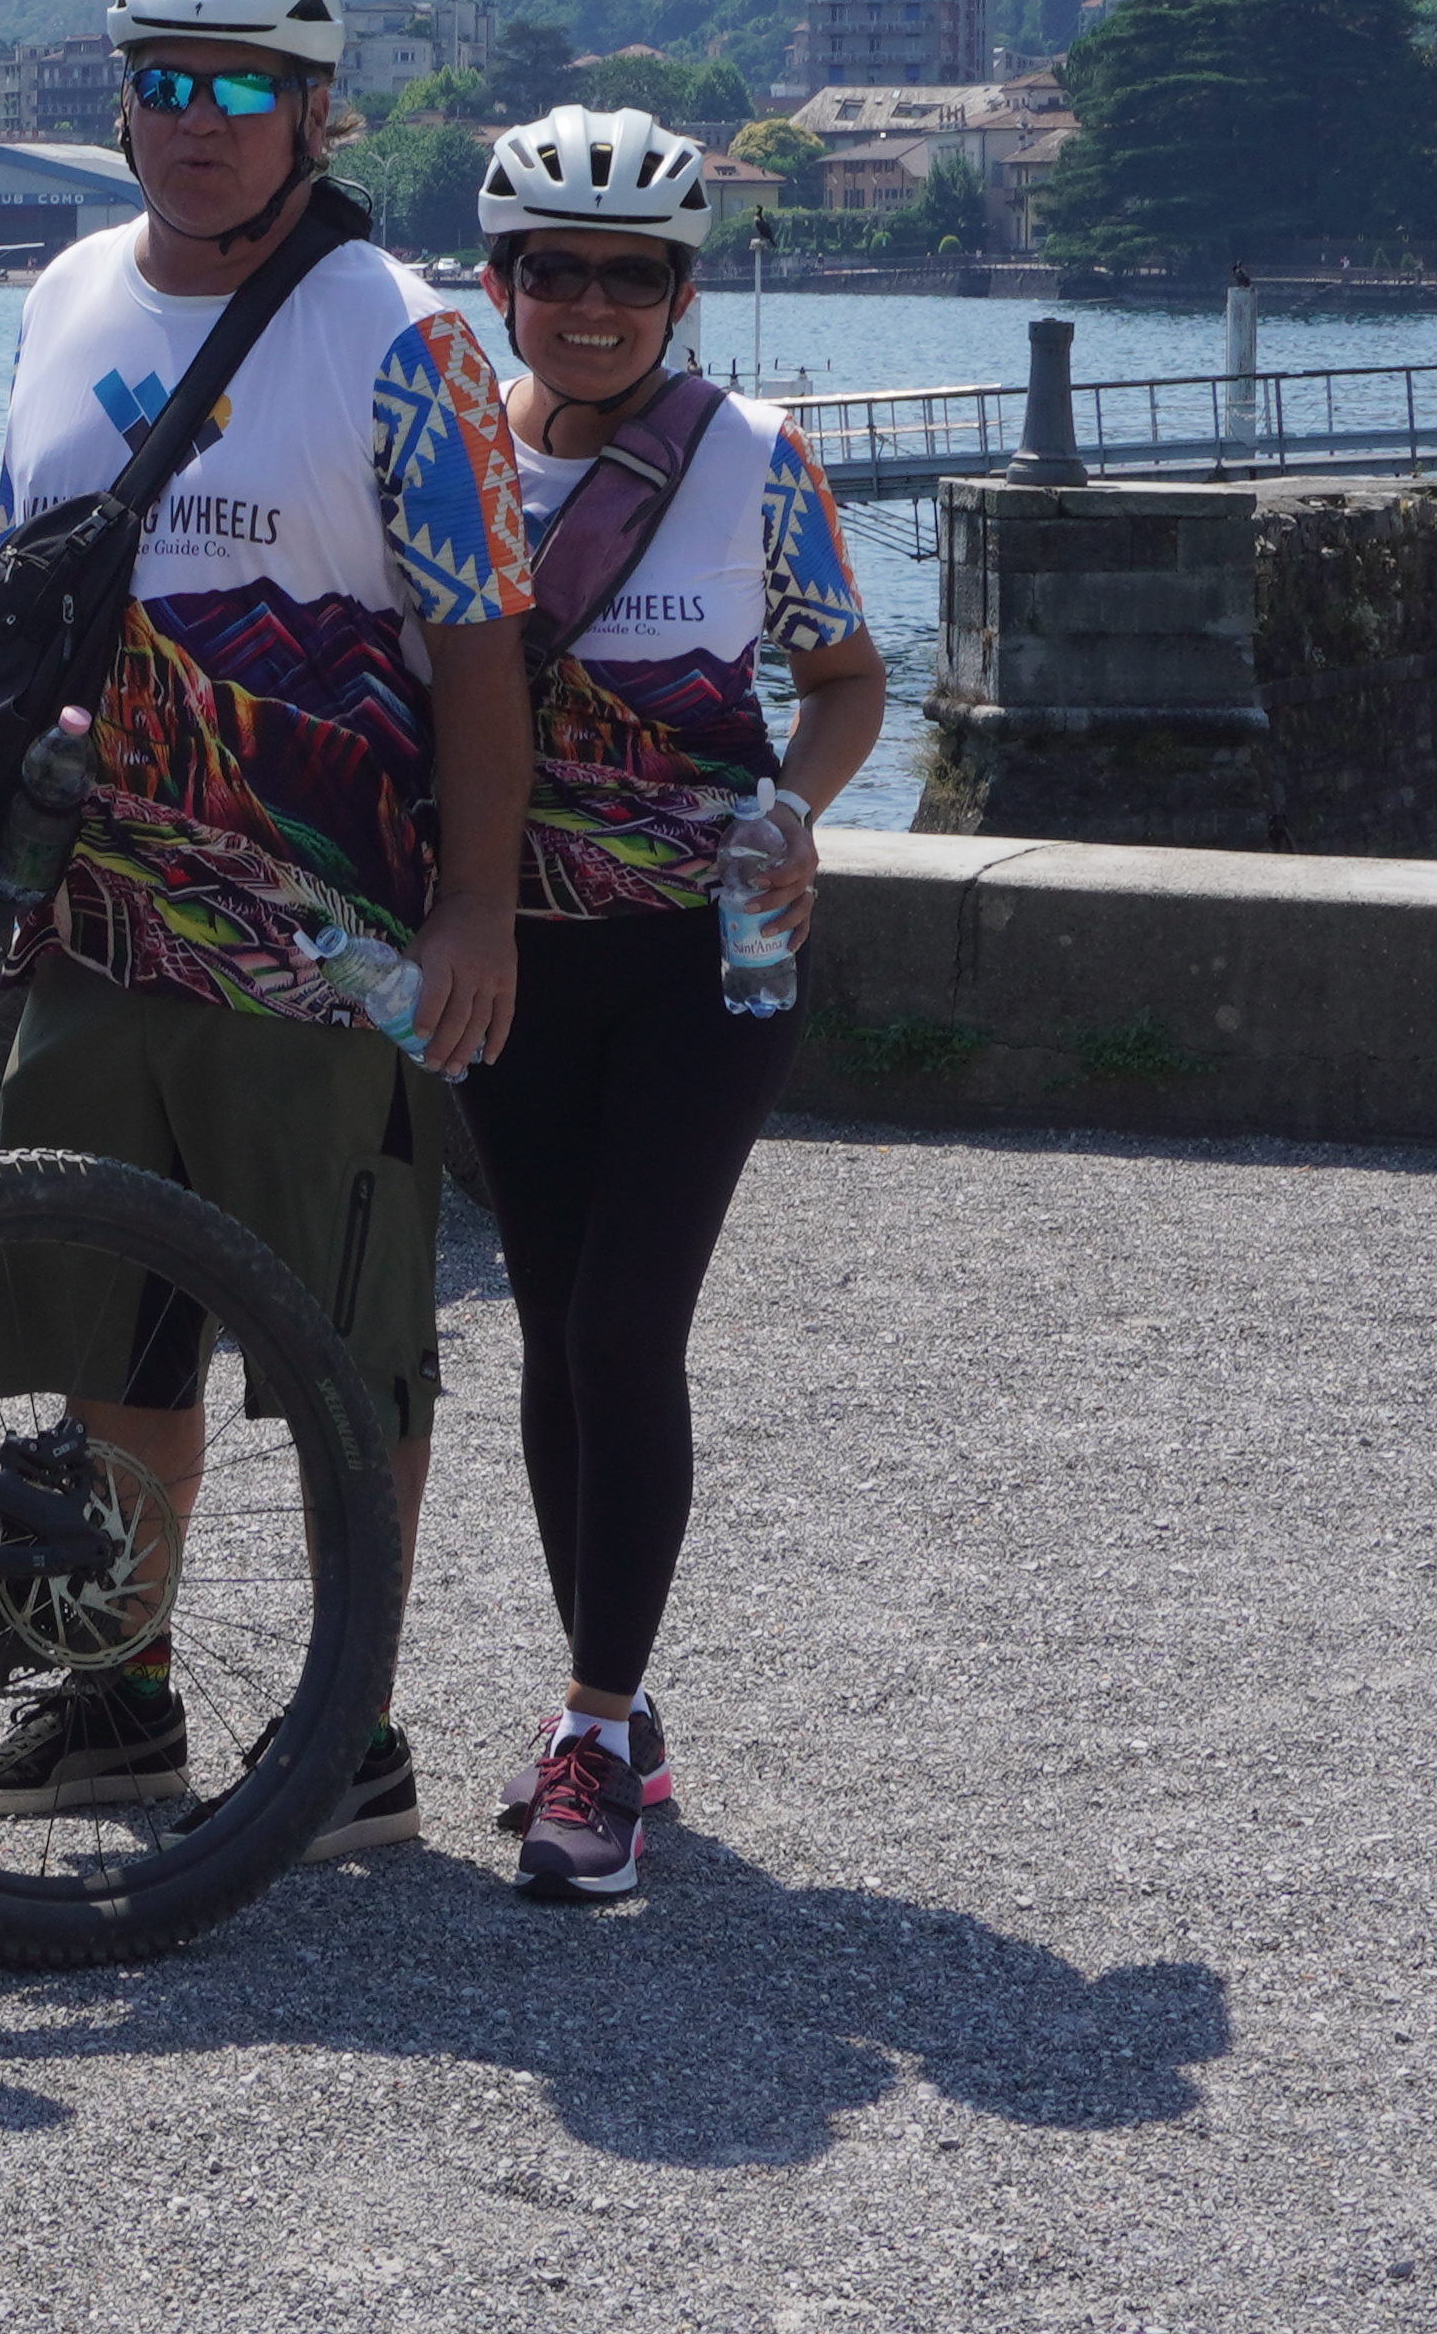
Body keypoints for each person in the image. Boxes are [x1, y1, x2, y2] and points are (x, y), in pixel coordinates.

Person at [0, 0, 534, 1863]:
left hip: (328, 937)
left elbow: (481, 648)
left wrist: (477, 914)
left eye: (244, 87)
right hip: (91, 921)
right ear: (119, 97)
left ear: (317, 108)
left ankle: (349, 1728)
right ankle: (120, 1685)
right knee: (107, 1317)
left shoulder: (403, 326)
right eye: (165, 81)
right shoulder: (60, 293)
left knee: (352, 1327)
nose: (199, 122)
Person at [451, 104, 883, 1903]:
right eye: (559, 272)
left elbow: (846, 675)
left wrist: (799, 804)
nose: (597, 307)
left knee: (625, 1330)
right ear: (502, 285)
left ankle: (592, 1715)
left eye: (636, 276)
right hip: (514, 962)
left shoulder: (759, 459)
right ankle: (609, 1719)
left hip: (709, 964)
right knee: (554, 1335)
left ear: (686, 292)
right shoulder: (451, 461)